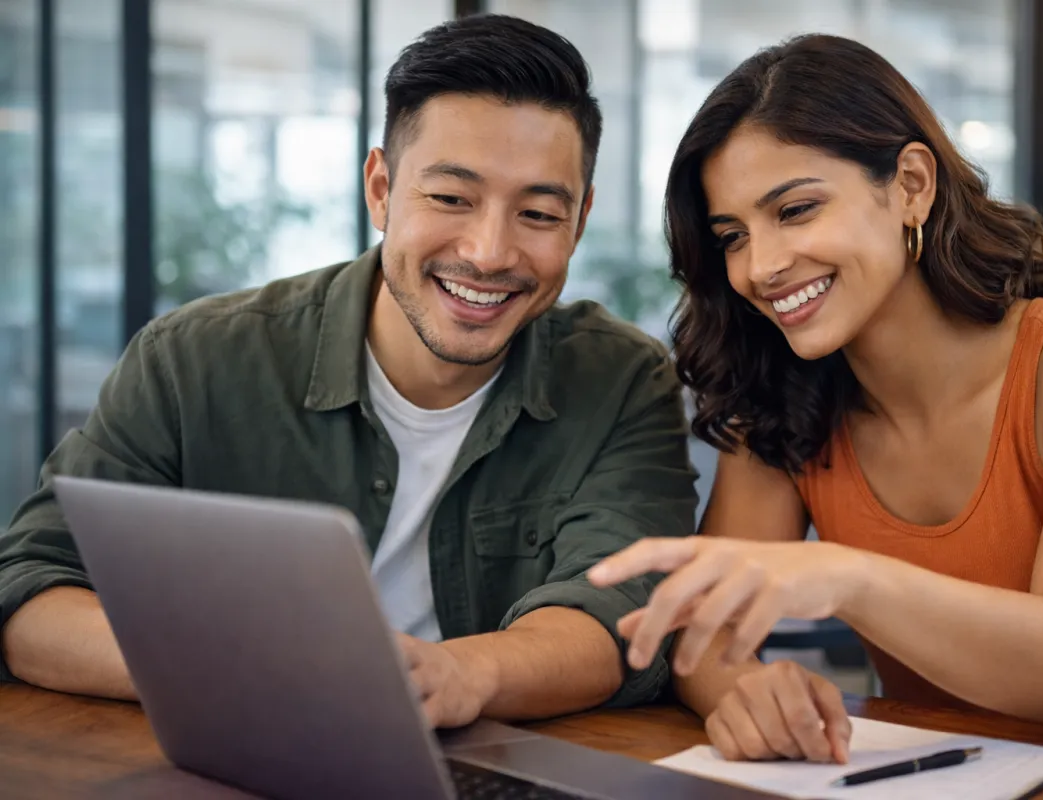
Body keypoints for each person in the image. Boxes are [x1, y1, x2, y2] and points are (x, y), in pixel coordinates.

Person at [0, 14, 698, 729]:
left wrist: (462, 674)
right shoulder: (193, 360)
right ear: (380, 189)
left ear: (578, 222)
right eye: (450, 198)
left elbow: (626, 615)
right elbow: (29, 591)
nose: (489, 252)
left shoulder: (620, 380)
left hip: (481, 760)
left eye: (538, 213)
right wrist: (249, 669)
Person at [589, 32, 1043, 759]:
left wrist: (848, 577)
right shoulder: (780, 398)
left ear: (911, 185)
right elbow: (704, 632)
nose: (762, 266)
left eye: (795, 210)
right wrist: (745, 692)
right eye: (732, 236)